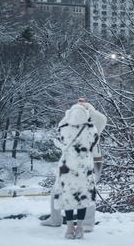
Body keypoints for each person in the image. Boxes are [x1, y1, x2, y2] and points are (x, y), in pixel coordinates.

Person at [42, 99, 107, 232]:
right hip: (74, 161)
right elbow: (63, 124)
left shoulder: (94, 125)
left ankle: (87, 223)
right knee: (59, 190)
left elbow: (102, 119)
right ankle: (56, 218)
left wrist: (86, 107)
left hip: (89, 160)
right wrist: (75, 110)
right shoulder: (78, 127)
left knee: (87, 192)